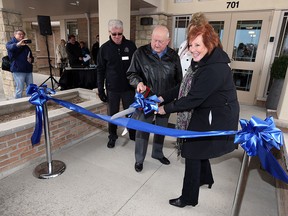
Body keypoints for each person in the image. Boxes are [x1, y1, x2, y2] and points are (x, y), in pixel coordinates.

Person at [157, 23, 240, 207]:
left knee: (192, 151)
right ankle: (205, 178)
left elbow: (193, 98)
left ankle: (188, 198)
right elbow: (184, 87)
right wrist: (163, 96)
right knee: (199, 148)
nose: (192, 50)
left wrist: (165, 109)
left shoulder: (213, 68)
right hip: (206, 108)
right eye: (191, 44)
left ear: (209, 44)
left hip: (217, 115)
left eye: (197, 45)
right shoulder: (203, 61)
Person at [127, 25, 182, 172]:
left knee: (161, 128)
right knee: (142, 130)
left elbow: (179, 82)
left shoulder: (173, 56)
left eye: (161, 41)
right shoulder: (140, 53)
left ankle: (157, 153)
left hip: (165, 101)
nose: (156, 44)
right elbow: (131, 74)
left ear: (168, 41)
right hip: (146, 100)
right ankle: (139, 159)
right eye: (154, 40)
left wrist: (167, 98)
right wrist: (138, 83)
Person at [97, 19, 137, 148]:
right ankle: (112, 136)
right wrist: (100, 89)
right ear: (109, 32)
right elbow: (100, 70)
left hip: (128, 88)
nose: (117, 37)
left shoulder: (130, 46)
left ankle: (132, 134)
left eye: (119, 34)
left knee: (130, 112)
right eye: (114, 34)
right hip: (112, 88)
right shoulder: (104, 49)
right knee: (113, 114)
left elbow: (137, 67)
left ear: (122, 32)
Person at [6, 29, 34, 99]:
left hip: (28, 69)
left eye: (23, 34)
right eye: (19, 34)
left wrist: (31, 59)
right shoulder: (10, 43)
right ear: (15, 35)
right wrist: (19, 44)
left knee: (31, 87)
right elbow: (11, 47)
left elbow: (31, 56)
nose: (22, 35)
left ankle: (31, 101)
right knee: (19, 88)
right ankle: (18, 103)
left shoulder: (26, 46)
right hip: (18, 70)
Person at [178, 12, 208, 76]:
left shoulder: (208, 47)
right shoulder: (183, 45)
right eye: (192, 31)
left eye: (197, 32)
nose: (194, 35)